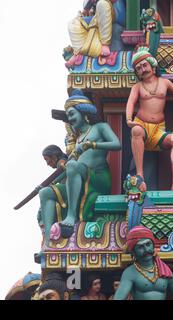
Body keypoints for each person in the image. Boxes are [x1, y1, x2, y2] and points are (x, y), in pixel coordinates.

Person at [39, 90, 121, 248]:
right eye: (68, 116)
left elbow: (117, 144)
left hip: (97, 177)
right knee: (46, 192)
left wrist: (93, 144)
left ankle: (71, 216)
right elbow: (68, 170)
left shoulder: (100, 128)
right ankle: (48, 241)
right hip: (78, 177)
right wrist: (47, 184)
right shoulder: (77, 139)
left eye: (72, 114)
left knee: (72, 165)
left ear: (84, 112)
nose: (70, 118)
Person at [126, 47, 173, 191]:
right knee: (136, 130)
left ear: (152, 65)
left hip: (158, 130)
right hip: (142, 125)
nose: (143, 69)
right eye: (139, 68)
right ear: (137, 73)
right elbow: (131, 102)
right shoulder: (137, 87)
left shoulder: (164, 83)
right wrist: (128, 118)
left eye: (145, 65)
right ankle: (140, 176)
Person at [114, 226, 173, 300]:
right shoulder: (130, 273)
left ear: (153, 245)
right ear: (133, 252)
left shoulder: (164, 270)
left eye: (148, 244)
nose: (146, 249)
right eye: (140, 247)